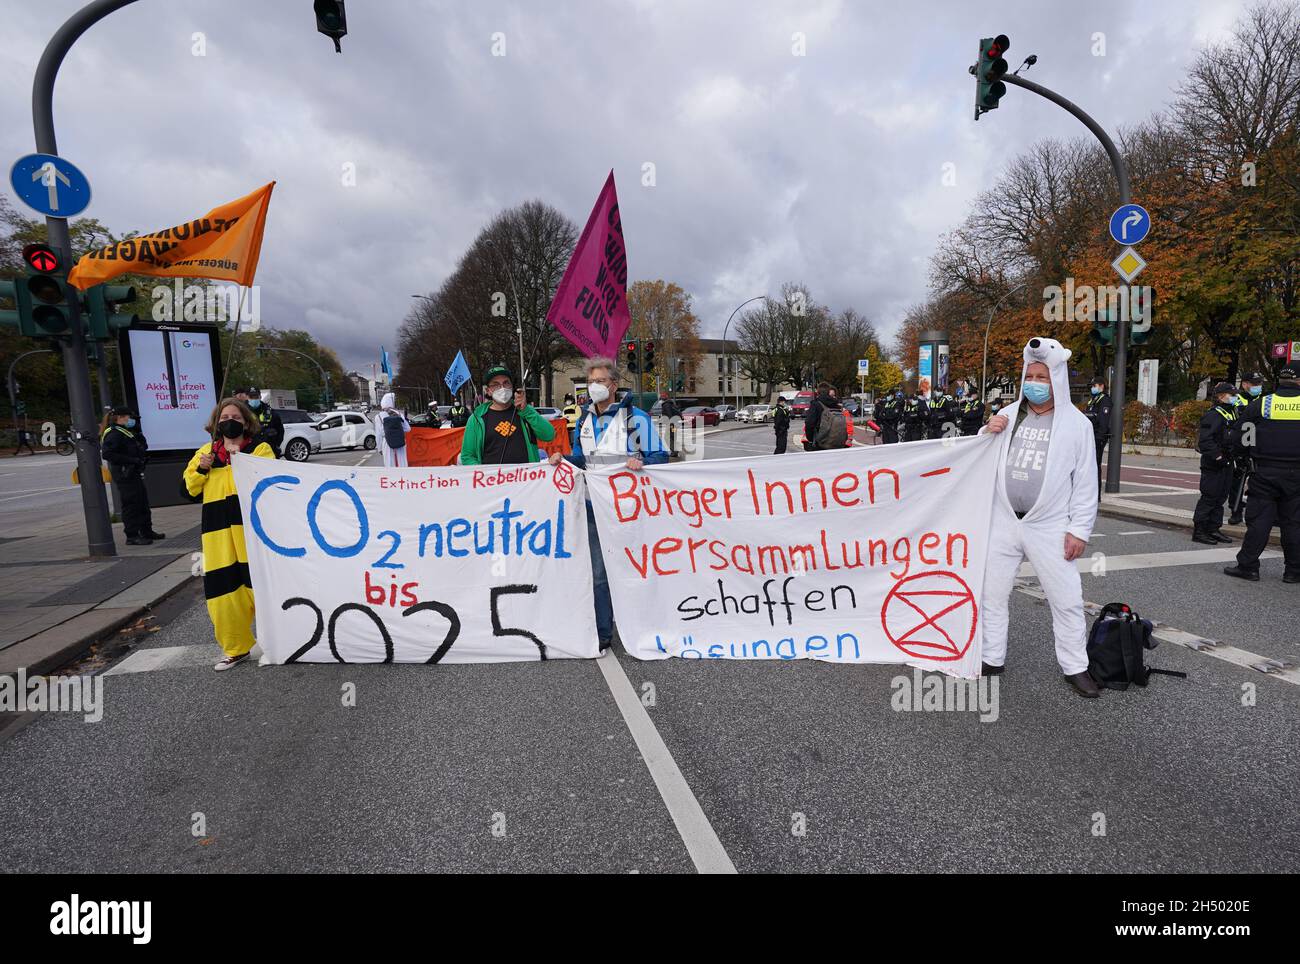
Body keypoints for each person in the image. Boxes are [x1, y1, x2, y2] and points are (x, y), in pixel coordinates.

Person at [981, 337, 1101, 698]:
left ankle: (1075, 666)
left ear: (1057, 379)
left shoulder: (1077, 425)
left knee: (1066, 599)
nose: (1035, 382)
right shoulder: (1008, 414)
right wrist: (987, 431)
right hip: (1002, 522)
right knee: (992, 595)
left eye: (1043, 376)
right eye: (1030, 375)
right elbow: (978, 456)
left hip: (1048, 527)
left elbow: (1085, 482)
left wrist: (1078, 530)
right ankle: (991, 657)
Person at [550, 356, 668, 650]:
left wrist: (640, 460)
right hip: (593, 508)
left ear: (614, 385)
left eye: (600, 381)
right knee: (598, 574)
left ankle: (645, 627)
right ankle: (603, 634)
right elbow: (582, 459)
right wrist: (561, 458)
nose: (594, 387)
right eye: (591, 382)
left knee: (634, 571)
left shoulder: (635, 419)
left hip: (628, 511)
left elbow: (660, 456)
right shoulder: (584, 420)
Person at [182, 397, 276, 670]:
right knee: (224, 597)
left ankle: (277, 644)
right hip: (219, 538)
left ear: (246, 422)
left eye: (235, 417)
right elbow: (188, 491)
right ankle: (236, 648)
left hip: (253, 536)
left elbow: (270, 483)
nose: (229, 422)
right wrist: (203, 468)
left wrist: (239, 460)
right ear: (215, 424)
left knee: (262, 592)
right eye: (223, 419)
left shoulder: (260, 450)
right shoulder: (205, 454)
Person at [1224, 366, 1300, 584]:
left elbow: (1241, 436)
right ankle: (1294, 571)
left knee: (1259, 521)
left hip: (1265, 471)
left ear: (1280, 380)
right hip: (1297, 475)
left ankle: (1248, 567)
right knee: (1294, 523)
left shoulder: (1263, 404)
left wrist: (1245, 457)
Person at [460, 364, 555, 465]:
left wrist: (526, 411)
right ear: (488, 391)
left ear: (512, 386)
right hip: (492, 479)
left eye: (506, 383)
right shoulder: (477, 418)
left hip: (527, 478)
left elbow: (549, 435)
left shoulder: (525, 411)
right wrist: (484, 476)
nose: (502, 388)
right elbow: (467, 456)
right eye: (495, 384)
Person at [100, 406, 164, 546]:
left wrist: (138, 432)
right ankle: (132, 535)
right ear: (121, 417)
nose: (132, 420)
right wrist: (132, 460)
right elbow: (108, 454)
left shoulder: (126, 431)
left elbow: (142, 446)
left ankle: (146, 530)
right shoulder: (114, 433)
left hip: (133, 471)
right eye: (129, 417)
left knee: (142, 502)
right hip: (125, 473)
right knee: (131, 504)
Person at [1191, 382, 1239, 545]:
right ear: (1220, 396)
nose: (1234, 397)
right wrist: (1219, 457)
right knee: (1209, 497)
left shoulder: (1231, 412)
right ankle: (1199, 531)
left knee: (1220, 498)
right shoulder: (1213, 415)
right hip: (1214, 463)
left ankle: (1213, 529)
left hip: (1227, 462)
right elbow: (1205, 441)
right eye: (1231, 394)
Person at [1228, 371, 1264, 525]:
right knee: (1238, 480)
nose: (1258, 387)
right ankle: (1235, 510)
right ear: (1244, 384)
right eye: (1254, 384)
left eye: (1259, 384)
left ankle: (1257, 511)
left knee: (1261, 482)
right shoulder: (1236, 400)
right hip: (1241, 445)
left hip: (1261, 446)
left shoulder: (1265, 400)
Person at [235, 387, 284, 458]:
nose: (254, 399)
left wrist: (275, 446)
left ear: (260, 396)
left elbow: (280, 431)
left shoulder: (271, 412)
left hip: (269, 453)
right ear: (247, 397)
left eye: (256, 396)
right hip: (248, 454)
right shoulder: (240, 412)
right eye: (251, 397)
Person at [1084, 375, 1112, 493]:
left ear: (1102, 386)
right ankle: (1089, 492)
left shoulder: (1104, 400)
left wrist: (1099, 438)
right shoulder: (1093, 399)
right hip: (1090, 436)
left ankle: (1096, 494)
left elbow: (1103, 421)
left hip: (1097, 437)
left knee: (1095, 465)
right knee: (1088, 466)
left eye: (1094, 386)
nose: (1092, 388)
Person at [804, 381, 845, 451]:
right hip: (836, 442)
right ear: (828, 392)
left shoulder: (816, 404)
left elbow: (809, 423)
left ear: (818, 392)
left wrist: (811, 439)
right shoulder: (836, 405)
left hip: (820, 443)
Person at [375, 392, 410, 467]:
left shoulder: (378, 416)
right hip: (400, 439)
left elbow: (378, 434)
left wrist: (380, 448)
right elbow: (408, 429)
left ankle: (391, 477)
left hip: (387, 441)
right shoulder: (398, 413)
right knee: (402, 462)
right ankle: (404, 476)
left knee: (389, 463)